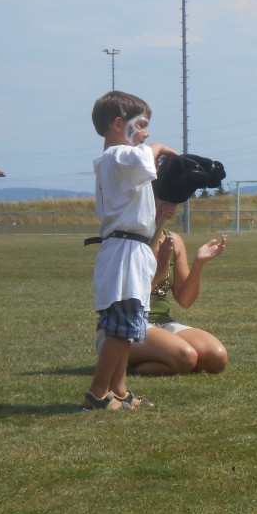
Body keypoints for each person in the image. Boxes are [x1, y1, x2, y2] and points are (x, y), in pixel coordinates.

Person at [84, 91, 176, 410]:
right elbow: (143, 158)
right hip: (123, 251)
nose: (146, 133)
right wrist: (161, 148)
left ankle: (118, 391)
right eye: (141, 124)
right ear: (118, 123)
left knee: (130, 325)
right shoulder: (117, 155)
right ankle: (97, 393)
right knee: (120, 328)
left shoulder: (120, 160)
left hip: (130, 249)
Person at [127, 201, 229, 375]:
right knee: (185, 358)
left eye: (166, 204)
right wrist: (159, 271)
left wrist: (199, 262)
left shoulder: (173, 240)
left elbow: (185, 300)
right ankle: (124, 365)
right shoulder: (128, 241)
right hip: (129, 324)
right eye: (156, 204)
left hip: (163, 324)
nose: (163, 209)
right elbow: (129, 300)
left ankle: (165, 355)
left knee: (217, 358)